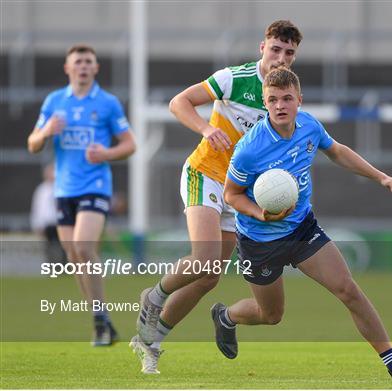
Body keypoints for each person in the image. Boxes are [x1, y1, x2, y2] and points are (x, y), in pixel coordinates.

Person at [216, 67, 392, 380]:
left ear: (299, 100)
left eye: (286, 98)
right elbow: (231, 195)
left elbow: (337, 152)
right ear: (265, 103)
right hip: (259, 241)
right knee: (271, 315)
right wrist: (262, 214)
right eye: (272, 100)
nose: (279, 105)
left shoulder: (309, 126)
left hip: (302, 228)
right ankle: (226, 316)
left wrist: (381, 176)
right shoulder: (249, 149)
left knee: (348, 290)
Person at [129, 20, 303, 374]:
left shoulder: (285, 95)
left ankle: (151, 341)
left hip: (236, 191)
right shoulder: (234, 79)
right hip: (204, 173)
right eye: (275, 49)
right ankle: (154, 296)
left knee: (209, 277)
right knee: (205, 258)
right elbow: (179, 103)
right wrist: (207, 129)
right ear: (262, 47)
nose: (281, 57)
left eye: (289, 52)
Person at [27, 44, 136, 346]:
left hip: (96, 186)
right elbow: (32, 144)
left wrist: (107, 153)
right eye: (78, 62)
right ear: (67, 68)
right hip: (64, 190)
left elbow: (130, 144)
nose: (83, 66)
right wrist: (46, 131)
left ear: (96, 68)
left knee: (83, 247)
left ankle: (100, 322)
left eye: (89, 61)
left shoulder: (107, 103)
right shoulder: (54, 102)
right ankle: (101, 319)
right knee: (74, 257)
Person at [30, 163, 66, 264]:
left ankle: (64, 267)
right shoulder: (41, 190)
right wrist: (37, 224)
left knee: (64, 246)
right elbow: (37, 208)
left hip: (60, 222)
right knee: (49, 247)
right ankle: (51, 267)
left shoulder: (62, 187)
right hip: (48, 224)